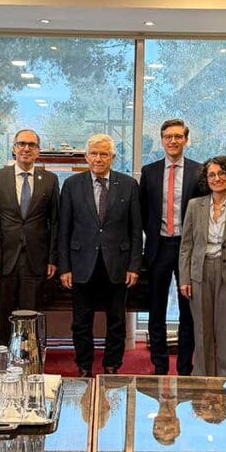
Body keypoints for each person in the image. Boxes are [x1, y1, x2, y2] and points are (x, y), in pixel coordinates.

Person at [59, 134, 141, 377]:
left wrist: (134, 265)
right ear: (86, 157)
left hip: (117, 264)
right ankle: (84, 365)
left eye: (104, 154)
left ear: (112, 157)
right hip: (81, 263)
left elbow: (136, 229)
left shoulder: (128, 184)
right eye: (93, 153)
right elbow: (63, 229)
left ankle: (112, 365)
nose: (98, 158)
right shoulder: (72, 185)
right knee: (81, 321)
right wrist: (65, 267)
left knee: (117, 321)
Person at [179, 156, 226, 377]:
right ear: (206, 179)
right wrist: (184, 278)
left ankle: (225, 380)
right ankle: (202, 378)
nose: (216, 178)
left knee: (225, 330)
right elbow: (186, 245)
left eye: (221, 173)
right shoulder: (195, 206)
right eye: (211, 174)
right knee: (202, 330)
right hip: (199, 273)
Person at [139, 119, 200, 375]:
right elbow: (143, 210)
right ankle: (160, 365)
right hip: (159, 247)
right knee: (156, 311)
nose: (173, 141)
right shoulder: (149, 171)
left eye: (178, 136)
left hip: (188, 248)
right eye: (168, 137)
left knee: (188, 311)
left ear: (186, 139)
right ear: (162, 140)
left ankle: (185, 367)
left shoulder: (199, 171)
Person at [0, 129, 59, 346]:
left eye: (32, 145)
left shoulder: (49, 180)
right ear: (14, 148)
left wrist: (52, 258)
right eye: (21, 144)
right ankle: (3, 358)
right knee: (4, 315)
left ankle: (30, 357)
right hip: (5, 259)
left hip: (35, 259)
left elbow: (55, 222)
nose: (26, 148)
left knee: (30, 315)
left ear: (38, 151)